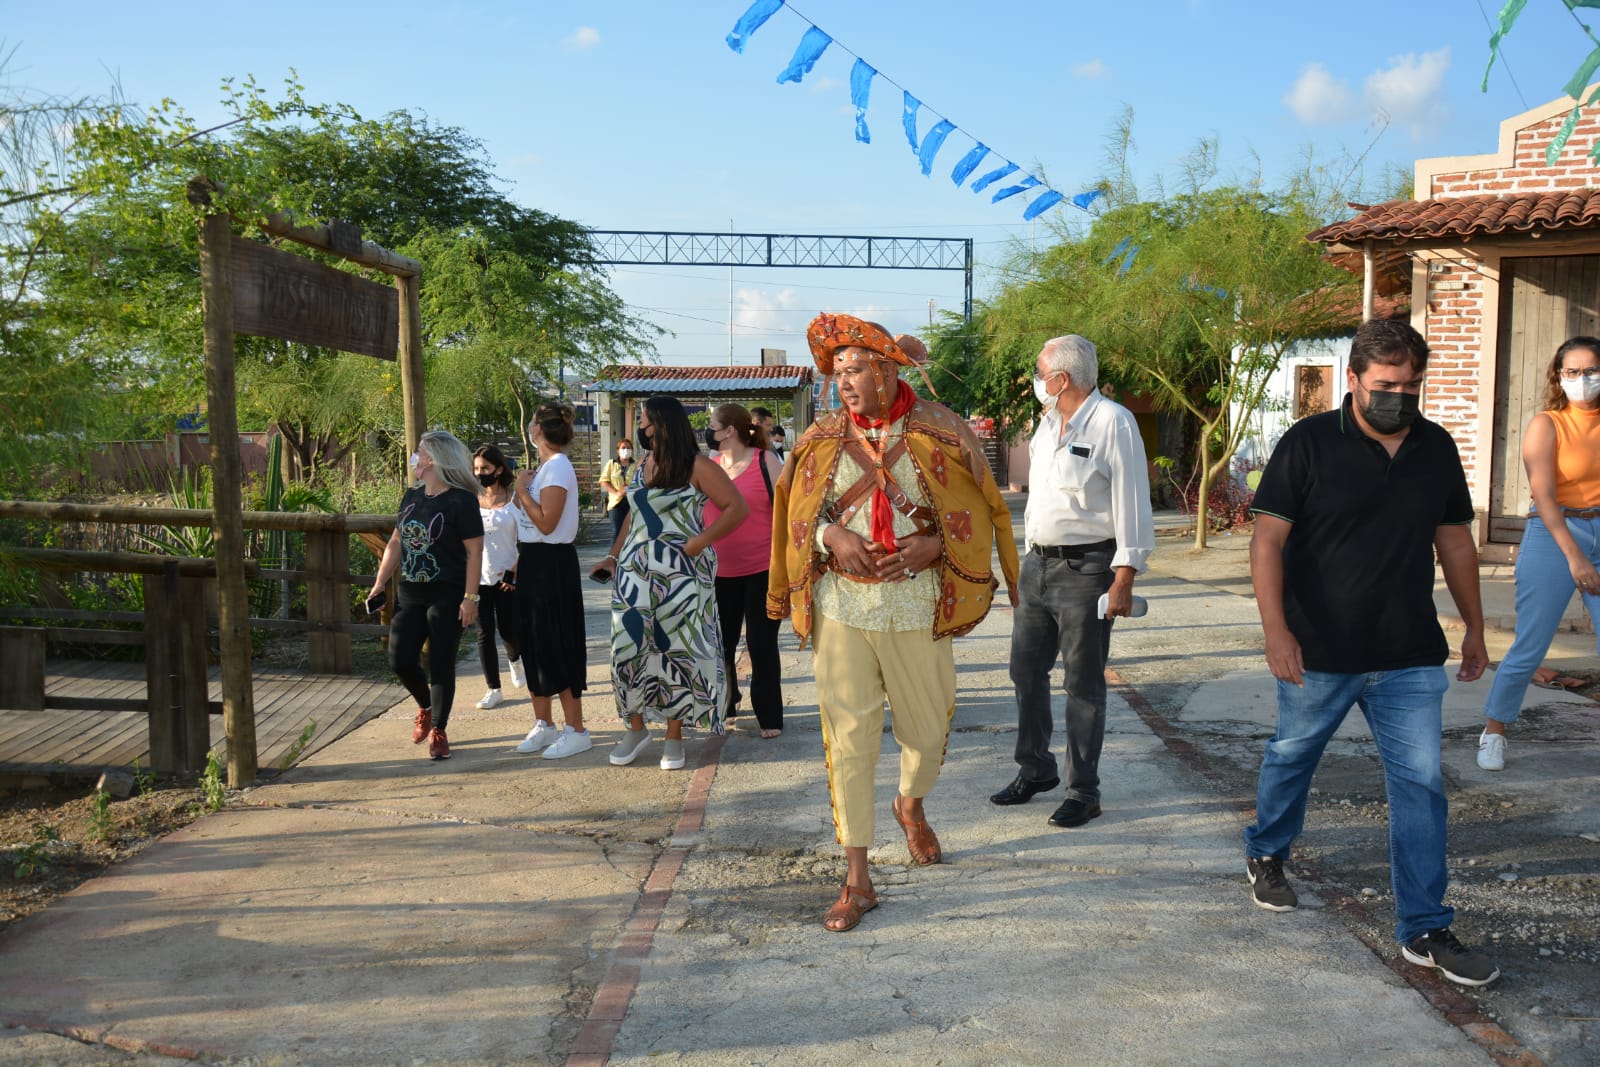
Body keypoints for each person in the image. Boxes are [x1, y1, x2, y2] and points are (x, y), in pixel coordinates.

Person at [1243, 318, 1498, 987]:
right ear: (1353, 379)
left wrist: (1475, 626)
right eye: (1386, 385)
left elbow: (1455, 541)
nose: (1399, 397)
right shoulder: (1307, 443)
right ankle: (1267, 851)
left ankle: (1424, 926)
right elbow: (1267, 541)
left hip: (1408, 652)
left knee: (1422, 783)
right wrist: (1276, 630)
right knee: (1292, 756)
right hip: (1318, 650)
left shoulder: (1435, 447)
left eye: (1411, 386)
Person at [768, 313, 1020, 933]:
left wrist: (936, 545)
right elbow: (795, 513)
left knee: (926, 733)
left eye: (854, 370)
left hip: (917, 608)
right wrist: (829, 536)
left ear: (885, 371)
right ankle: (857, 878)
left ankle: (910, 803)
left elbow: (981, 509)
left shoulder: (942, 430)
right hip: (841, 609)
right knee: (848, 742)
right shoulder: (819, 438)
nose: (843, 384)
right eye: (837, 374)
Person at [990, 335, 1154, 828]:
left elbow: (1133, 502)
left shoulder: (1112, 422)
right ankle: (1036, 769)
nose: (1036, 381)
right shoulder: (1047, 424)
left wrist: (1124, 578)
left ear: (1061, 379)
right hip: (1037, 565)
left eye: (1041, 374)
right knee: (1025, 672)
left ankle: (1083, 791)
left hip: (1087, 569)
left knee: (1082, 683)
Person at [596, 394, 747, 770]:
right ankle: (635, 728)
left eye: (643, 420)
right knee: (628, 649)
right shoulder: (642, 463)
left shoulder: (696, 465)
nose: (640, 428)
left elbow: (737, 508)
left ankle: (674, 737)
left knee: (676, 651)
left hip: (682, 575)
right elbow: (634, 514)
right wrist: (613, 557)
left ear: (662, 423)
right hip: (634, 573)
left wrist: (699, 542)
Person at [1478, 336, 1600, 771]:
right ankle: (1494, 731)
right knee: (1531, 644)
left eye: (1591, 370)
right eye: (1573, 372)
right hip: (1554, 532)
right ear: (1559, 376)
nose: (1583, 379)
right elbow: (1544, 497)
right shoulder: (1547, 424)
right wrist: (1576, 557)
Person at [369, 431, 483, 761]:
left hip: (448, 593)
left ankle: (439, 730)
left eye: (419, 452)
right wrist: (380, 583)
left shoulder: (461, 500)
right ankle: (426, 707)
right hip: (410, 593)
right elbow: (396, 542)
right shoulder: (412, 495)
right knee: (400, 659)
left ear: (433, 458)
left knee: (441, 662)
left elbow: (475, 551)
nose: (414, 458)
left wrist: (471, 598)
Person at [510, 404, 592, 760]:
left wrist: (521, 490)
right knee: (533, 644)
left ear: (538, 430)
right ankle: (544, 723)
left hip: (552, 563)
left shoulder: (558, 466)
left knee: (558, 644)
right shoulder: (543, 468)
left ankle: (576, 729)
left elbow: (546, 523)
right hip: (532, 560)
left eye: (531, 422)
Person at [704, 403, 786, 738]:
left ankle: (769, 715)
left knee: (761, 642)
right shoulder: (710, 466)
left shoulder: (766, 461)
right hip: (718, 571)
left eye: (712, 425)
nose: (708, 431)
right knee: (720, 643)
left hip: (762, 568)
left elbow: (786, 509)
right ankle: (726, 703)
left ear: (729, 431)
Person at [472, 445, 525, 709]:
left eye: (485, 468)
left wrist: (515, 569)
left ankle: (515, 661)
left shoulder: (516, 499)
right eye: (476, 468)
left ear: (498, 469)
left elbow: (527, 538)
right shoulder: (471, 500)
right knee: (484, 633)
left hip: (507, 576)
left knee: (509, 630)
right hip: (478, 577)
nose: (480, 473)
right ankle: (493, 688)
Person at [599, 437, 635, 542]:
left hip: (632, 502)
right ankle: (614, 552)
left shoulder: (636, 464)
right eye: (623, 448)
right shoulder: (612, 463)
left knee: (631, 532)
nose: (626, 450)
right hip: (616, 503)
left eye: (628, 448)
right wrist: (617, 492)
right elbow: (604, 481)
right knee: (617, 531)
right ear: (618, 450)